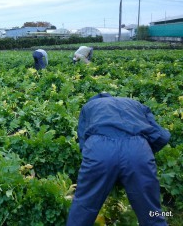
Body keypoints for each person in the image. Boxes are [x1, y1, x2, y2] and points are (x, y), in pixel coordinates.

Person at [67, 92, 171, 226]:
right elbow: (161, 136)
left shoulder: (89, 106)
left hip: (100, 149)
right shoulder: (135, 104)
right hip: (137, 149)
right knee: (152, 211)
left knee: (84, 206)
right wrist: (145, 153)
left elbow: (83, 140)